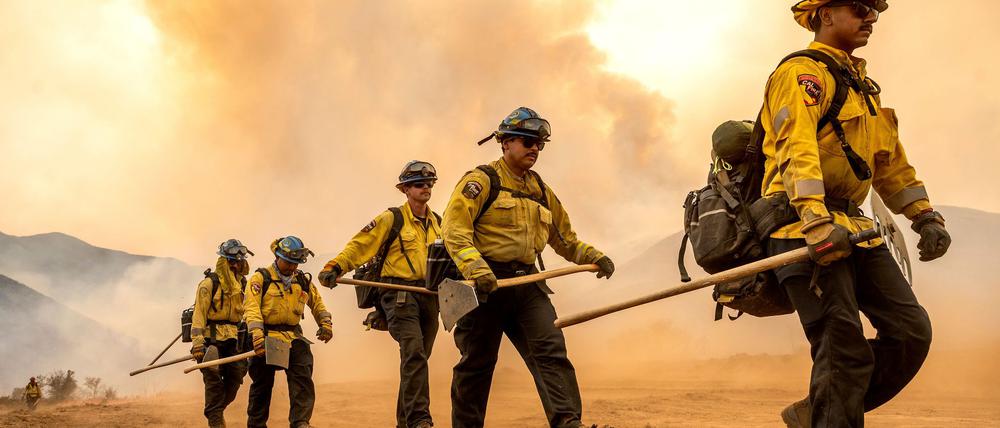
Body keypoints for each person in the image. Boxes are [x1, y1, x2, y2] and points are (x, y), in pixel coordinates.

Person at [760, 1, 951, 426]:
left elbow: (889, 163)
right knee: (842, 347)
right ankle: (830, 414)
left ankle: (820, 409)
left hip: (854, 229)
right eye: (860, 7)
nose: (872, 17)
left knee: (911, 331)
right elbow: (795, 148)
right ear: (825, 14)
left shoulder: (863, 88)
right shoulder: (801, 75)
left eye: (875, 11)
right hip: (802, 227)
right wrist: (815, 222)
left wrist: (924, 216)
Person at [441, 107, 615, 428]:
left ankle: (568, 423)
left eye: (540, 144)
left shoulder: (541, 191)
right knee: (476, 365)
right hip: (482, 286)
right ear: (505, 142)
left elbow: (565, 240)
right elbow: (454, 231)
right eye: (527, 141)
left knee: (551, 350)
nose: (535, 148)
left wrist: (594, 256)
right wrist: (477, 269)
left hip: (527, 284)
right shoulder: (481, 181)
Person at [319, 160, 443, 428]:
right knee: (414, 353)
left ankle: (405, 423)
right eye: (418, 184)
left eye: (428, 183)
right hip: (398, 295)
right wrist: (335, 266)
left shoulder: (439, 223)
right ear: (405, 189)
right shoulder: (391, 218)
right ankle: (420, 420)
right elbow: (360, 244)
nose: (425, 188)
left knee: (417, 360)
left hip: (429, 296)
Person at [243, 236, 332, 428]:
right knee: (262, 385)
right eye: (289, 262)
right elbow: (251, 308)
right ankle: (256, 425)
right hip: (266, 337)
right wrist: (257, 335)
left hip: (293, 337)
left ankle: (300, 422)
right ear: (278, 257)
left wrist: (325, 323)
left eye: (296, 263)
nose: (292, 267)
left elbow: (317, 303)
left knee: (302, 377)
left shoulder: (302, 280)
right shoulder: (260, 279)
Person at [190, 239, 253, 428]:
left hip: (235, 340)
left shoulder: (243, 284)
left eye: (239, 262)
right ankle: (216, 420)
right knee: (214, 384)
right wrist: (198, 344)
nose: (235, 265)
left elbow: (250, 311)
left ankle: (214, 411)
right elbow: (199, 315)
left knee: (236, 379)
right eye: (231, 261)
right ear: (223, 261)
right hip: (211, 342)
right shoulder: (208, 284)